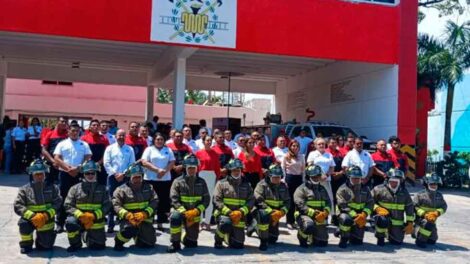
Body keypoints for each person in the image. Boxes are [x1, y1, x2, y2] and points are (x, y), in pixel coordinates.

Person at [13, 160, 62, 254]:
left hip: (46, 219)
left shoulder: (53, 188)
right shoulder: (24, 189)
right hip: (30, 219)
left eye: (41, 174)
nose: (39, 176)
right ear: (32, 174)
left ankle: (43, 242)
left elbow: (58, 203)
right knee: (23, 224)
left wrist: (46, 215)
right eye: (37, 174)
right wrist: (32, 216)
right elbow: (18, 205)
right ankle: (26, 245)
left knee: (45, 247)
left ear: (45, 174)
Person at [64, 160, 111, 252]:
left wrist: (94, 215)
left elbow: (107, 205)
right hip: (79, 218)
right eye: (87, 173)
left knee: (98, 247)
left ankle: (89, 237)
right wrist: (80, 215)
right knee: (70, 223)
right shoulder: (74, 188)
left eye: (92, 173)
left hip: (95, 219)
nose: (90, 175)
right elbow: (68, 204)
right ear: (83, 174)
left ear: (96, 173)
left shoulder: (103, 189)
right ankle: (75, 244)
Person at [167, 155, 211, 252]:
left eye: (193, 168)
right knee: (175, 217)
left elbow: (206, 200)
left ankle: (184, 237)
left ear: (197, 169)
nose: (192, 170)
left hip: (194, 214)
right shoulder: (178, 181)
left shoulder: (202, 182)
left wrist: (196, 211)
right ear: (185, 168)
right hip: (181, 212)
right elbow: (174, 199)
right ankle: (175, 243)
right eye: (189, 168)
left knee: (191, 244)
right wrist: (184, 212)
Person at [53, 124, 92, 233]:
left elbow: (88, 157)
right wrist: (67, 168)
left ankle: (79, 221)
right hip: (65, 174)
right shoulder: (62, 144)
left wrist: (78, 168)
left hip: (79, 173)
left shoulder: (84, 144)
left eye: (77, 131)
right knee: (63, 197)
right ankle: (60, 223)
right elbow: (56, 157)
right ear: (68, 132)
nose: (75, 133)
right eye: (73, 131)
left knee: (80, 198)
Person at [113, 163, 158, 251]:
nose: (137, 179)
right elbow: (116, 205)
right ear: (130, 177)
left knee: (149, 244)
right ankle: (118, 241)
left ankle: (139, 238)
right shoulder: (121, 190)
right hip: (129, 220)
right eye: (134, 177)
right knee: (129, 230)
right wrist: (127, 215)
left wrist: (145, 213)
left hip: (144, 218)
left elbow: (154, 201)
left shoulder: (149, 187)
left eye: (139, 177)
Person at [213, 159, 255, 249]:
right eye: (234, 170)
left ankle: (228, 237)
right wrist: (229, 213)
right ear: (230, 171)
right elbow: (217, 200)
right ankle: (218, 240)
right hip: (224, 215)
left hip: (240, 216)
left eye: (238, 170)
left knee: (238, 245)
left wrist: (241, 212)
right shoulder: (221, 183)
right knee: (225, 223)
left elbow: (251, 201)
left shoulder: (247, 185)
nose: (236, 172)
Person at [251, 164, 290, 250]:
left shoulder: (283, 186)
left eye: (278, 177)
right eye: (274, 177)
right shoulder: (261, 185)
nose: (276, 179)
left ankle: (259, 229)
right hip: (262, 211)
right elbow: (258, 200)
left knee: (273, 239)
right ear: (269, 176)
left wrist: (281, 212)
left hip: (276, 214)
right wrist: (271, 211)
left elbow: (287, 202)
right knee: (263, 217)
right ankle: (263, 240)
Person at [103, 129, 135, 233]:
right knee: (112, 199)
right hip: (113, 177)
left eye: (123, 135)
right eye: (119, 135)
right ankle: (110, 224)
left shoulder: (130, 149)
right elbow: (106, 163)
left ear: (125, 137)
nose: (121, 137)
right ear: (115, 136)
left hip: (125, 177)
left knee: (125, 200)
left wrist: (123, 174)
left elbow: (132, 164)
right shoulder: (109, 148)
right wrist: (115, 173)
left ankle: (123, 223)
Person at [371, 168, 414, 246]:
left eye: (396, 181)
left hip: (397, 222)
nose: (393, 183)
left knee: (397, 242)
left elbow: (409, 207)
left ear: (400, 181)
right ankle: (380, 238)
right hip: (383, 218)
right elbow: (369, 202)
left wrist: (410, 222)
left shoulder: (404, 192)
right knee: (382, 220)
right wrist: (377, 208)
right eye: (392, 180)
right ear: (388, 180)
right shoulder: (378, 189)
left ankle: (391, 234)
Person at [141, 133, 175, 230]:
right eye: (157, 139)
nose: (159, 141)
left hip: (164, 180)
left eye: (161, 139)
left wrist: (164, 171)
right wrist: (157, 170)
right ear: (154, 140)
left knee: (162, 201)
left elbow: (172, 162)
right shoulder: (149, 149)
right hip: (151, 179)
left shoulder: (168, 150)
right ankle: (149, 221)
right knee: (150, 201)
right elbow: (144, 162)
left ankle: (160, 222)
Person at [336, 166, 374, 248]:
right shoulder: (343, 189)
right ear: (349, 177)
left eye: (358, 178)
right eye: (354, 178)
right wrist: (355, 215)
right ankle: (343, 237)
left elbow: (370, 203)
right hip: (346, 214)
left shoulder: (365, 189)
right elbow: (342, 205)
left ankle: (351, 233)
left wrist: (364, 214)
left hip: (360, 216)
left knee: (357, 242)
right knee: (346, 220)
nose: (356, 180)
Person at [294, 165, 331, 247]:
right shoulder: (301, 189)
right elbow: (300, 204)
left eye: (318, 175)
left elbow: (328, 203)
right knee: (308, 226)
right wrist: (314, 213)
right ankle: (302, 237)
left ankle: (313, 236)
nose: (316, 178)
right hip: (305, 215)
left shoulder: (322, 189)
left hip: (320, 217)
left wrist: (325, 213)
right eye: (314, 176)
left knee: (322, 243)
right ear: (308, 176)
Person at [413, 173, 447, 248]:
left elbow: (444, 206)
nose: (434, 185)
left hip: (432, 220)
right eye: (432, 184)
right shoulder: (420, 195)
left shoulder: (439, 195)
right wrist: (424, 214)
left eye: (435, 184)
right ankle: (420, 240)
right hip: (421, 220)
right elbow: (414, 207)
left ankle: (425, 236)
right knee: (427, 224)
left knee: (432, 241)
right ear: (426, 184)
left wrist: (436, 213)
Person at [306, 137, 335, 215]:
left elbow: (332, 167)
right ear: (315, 145)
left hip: (326, 180)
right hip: (315, 180)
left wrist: (326, 175)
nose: (321, 145)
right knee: (316, 198)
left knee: (329, 198)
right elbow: (310, 166)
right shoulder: (312, 154)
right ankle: (316, 214)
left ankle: (329, 216)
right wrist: (319, 176)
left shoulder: (329, 155)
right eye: (319, 144)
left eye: (323, 144)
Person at [282, 140, 305, 229]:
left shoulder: (302, 156)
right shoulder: (286, 156)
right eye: (293, 146)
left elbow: (303, 170)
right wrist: (284, 180)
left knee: (299, 201)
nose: (295, 147)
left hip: (298, 179)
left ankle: (298, 221)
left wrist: (303, 180)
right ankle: (289, 221)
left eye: (297, 146)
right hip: (290, 178)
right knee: (290, 201)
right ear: (290, 146)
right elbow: (283, 168)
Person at [81, 119, 110, 185]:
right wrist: (88, 163)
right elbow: (82, 153)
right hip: (87, 166)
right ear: (90, 127)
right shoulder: (84, 138)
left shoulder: (104, 138)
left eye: (97, 125)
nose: (96, 126)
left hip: (100, 165)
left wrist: (99, 163)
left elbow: (106, 153)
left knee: (101, 185)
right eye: (94, 125)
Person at [41, 116, 68, 184]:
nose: (64, 123)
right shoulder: (50, 134)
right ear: (57, 122)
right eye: (62, 121)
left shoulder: (68, 135)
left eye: (65, 122)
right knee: (49, 184)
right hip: (51, 164)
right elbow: (44, 150)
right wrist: (53, 161)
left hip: (64, 165)